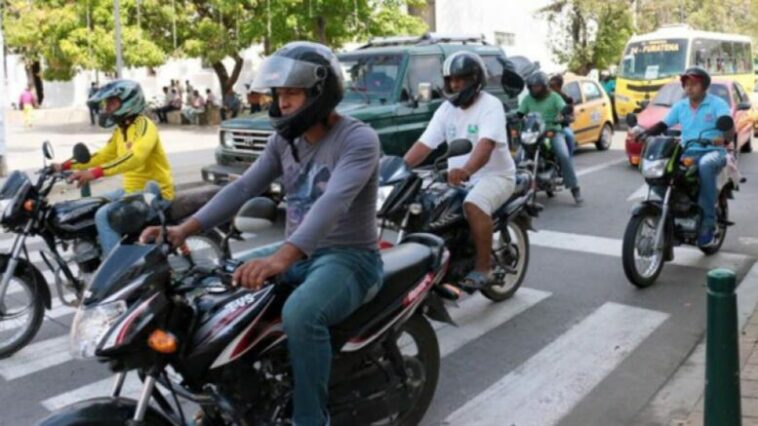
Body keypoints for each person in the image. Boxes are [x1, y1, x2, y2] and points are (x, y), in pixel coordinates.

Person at [140, 42, 382, 426]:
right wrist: (182, 229)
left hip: (348, 257)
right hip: (297, 255)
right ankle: (235, 388)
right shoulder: (283, 141)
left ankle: (310, 418)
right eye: (278, 94)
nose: (281, 103)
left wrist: (281, 258)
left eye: (291, 93)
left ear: (319, 93)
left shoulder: (358, 139)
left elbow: (332, 202)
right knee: (216, 286)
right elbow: (241, 188)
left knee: (301, 314)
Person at [404, 51, 515, 291]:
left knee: (473, 204)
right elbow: (424, 144)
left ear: (475, 80)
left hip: (496, 176)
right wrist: (400, 169)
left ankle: (483, 267)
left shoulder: (490, 105)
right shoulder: (446, 109)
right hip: (457, 179)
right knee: (423, 207)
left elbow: (485, 146)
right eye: (451, 79)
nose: (455, 85)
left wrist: (465, 170)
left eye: (461, 79)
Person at [53, 80, 175, 257]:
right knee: (91, 205)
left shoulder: (145, 125)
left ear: (128, 101)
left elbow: (134, 157)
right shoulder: (121, 130)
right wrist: (65, 165)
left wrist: (94, 173)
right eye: (106, 103)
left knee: (104, 216)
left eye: (112, 102)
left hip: (155, 193)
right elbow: (103, 155)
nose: (107, 107)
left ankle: (118, 274)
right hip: (132, 191)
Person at [633, 67, 732, 248]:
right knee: (662, 171)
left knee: (705, 166)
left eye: (693, 84)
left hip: (712, 151)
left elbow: (728, 125)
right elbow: (663, 124)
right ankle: (678, 205)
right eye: (686, 84)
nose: (689, 88)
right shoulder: (681, 106)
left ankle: (707, 224)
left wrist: (724, 136)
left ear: (704, 86)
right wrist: (645, 134)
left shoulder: (717, 104)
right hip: (688, 151)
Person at [518, 71, 583, 204]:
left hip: (552, 132)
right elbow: (520, 112)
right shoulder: (528, 99)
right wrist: (511, 116)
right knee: (518, 157)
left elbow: (563, 108)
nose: (534, 89)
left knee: (563, 155)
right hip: (534, 134)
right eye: (532, 87)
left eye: (537, 86)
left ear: (544, 86)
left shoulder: (554, 97)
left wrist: (565, 113)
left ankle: (574, 188)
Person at [548, 74, 577, 155]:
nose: (550, 88)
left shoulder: (567, 99)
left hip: (562, 127)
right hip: (546, 127)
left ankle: (568, 160)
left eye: (552, 86)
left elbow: (572, 117)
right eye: (549, 86)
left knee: (569, 136)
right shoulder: (545, 98)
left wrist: (563, 119)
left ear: (559, 87)